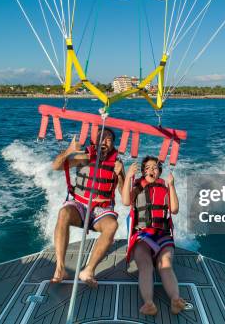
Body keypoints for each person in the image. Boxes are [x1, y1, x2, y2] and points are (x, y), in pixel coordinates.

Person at [51, 128, 124, 287]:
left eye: (109, 138)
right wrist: (69, 152)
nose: (104, 141)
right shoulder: (84, 157)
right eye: (101, 137)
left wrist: (121, 175)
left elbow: (124, 195)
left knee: (112, 225)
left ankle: (89, 270)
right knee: (63, 213)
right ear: (93, 141)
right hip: (80, 205)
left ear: (113, 144)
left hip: (101, 209)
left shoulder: (117, 163)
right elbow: (56, 166)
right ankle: (60, 268)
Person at [122, 156, 186, 316]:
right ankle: (149, 303)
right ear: (143, 172)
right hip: (143, 236)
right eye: (148, 167)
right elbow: (125, 201)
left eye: (155, 167)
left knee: (165, 265)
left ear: (160, 172)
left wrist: (172, 185)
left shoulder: (165, 187)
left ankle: (175, 300)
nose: (151, 170)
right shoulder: (137, 186)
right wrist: (128, 177)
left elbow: (175, 209)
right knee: (146, 266)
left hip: (163, 235)